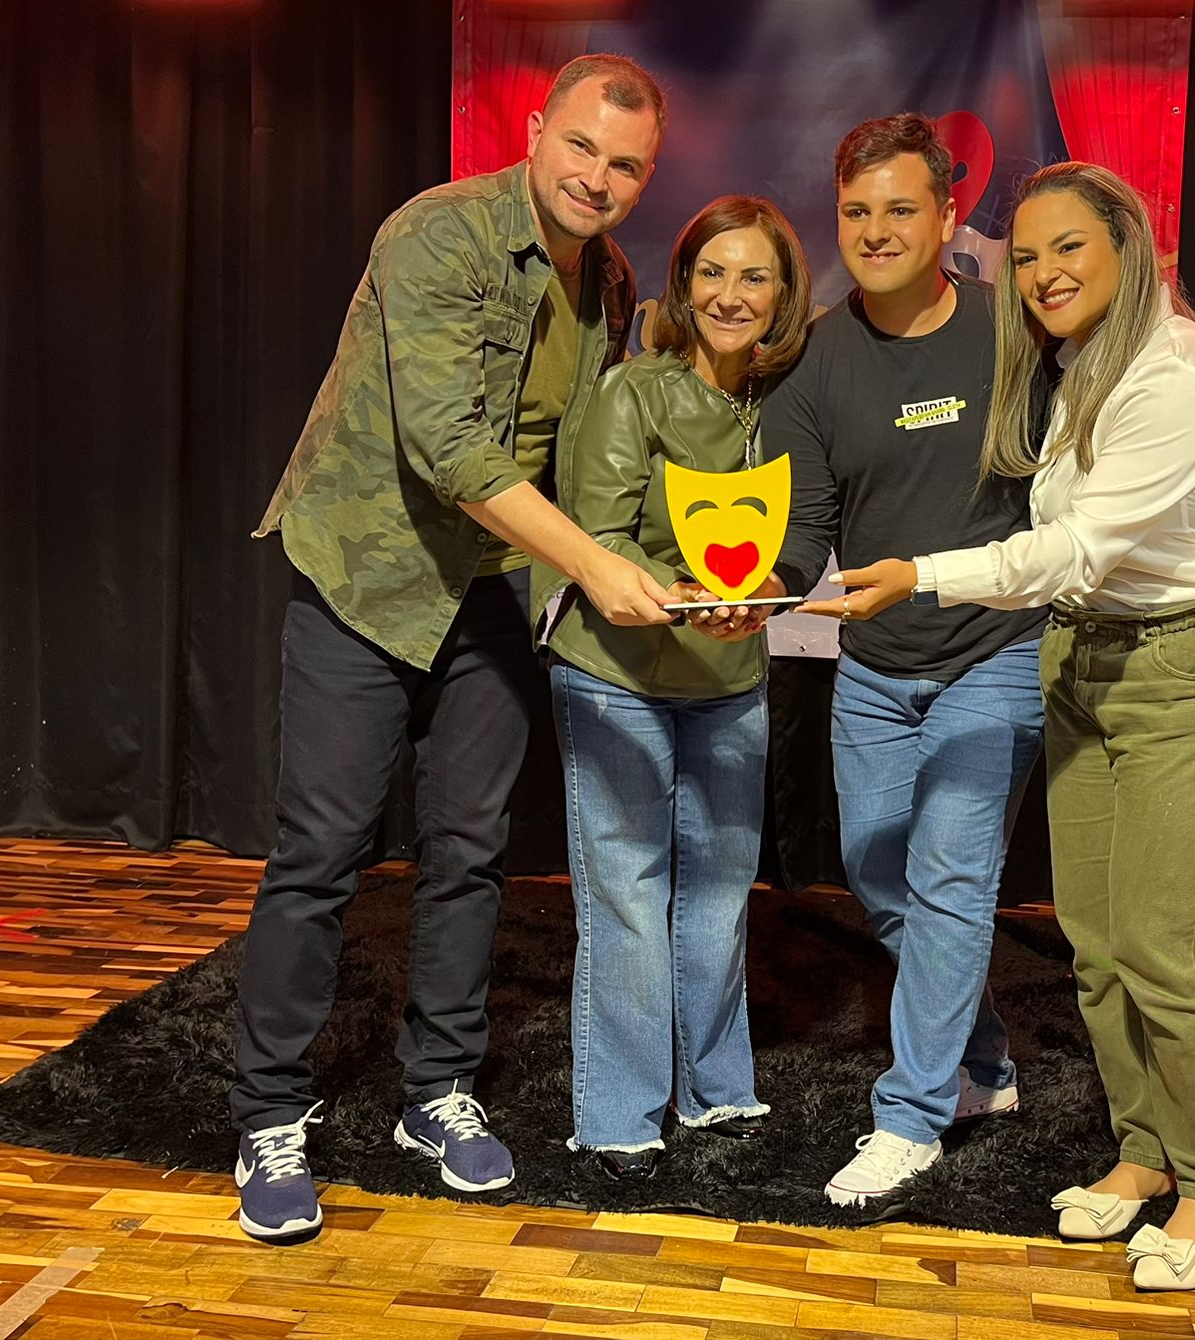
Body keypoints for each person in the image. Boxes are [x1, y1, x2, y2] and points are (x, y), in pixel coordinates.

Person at [812, 161, 1195, 1291]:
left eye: (1068, 247)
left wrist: (921, 574)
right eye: (1024, 256)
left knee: (1170, 948)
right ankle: (1144, 1152)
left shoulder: (1176, 373)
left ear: (1128, 245)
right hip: (1087, 657)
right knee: (1099, 941)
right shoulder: (1077, 367)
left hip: (1194, 669)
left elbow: (1073, 548)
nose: (1042, 274)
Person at [230, 55, 674, 1242]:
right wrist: (592, 566)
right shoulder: (437, 233)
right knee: (321, 853)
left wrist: (648, 555)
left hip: (488, 592)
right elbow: (450, 446)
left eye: (626, 164)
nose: (597, 178)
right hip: (368, 579)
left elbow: (579, 453)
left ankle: (435, 1089)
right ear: (533, 129)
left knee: (471, 853)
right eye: (580, 146)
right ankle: (267, 1111)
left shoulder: (609, 281)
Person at [720, 114, 1050, 1207]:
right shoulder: (813, 359)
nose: (875, 230)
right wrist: (751, 591)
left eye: (900, 208)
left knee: (949, 879)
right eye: (856, 211)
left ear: (948, 217)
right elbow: (804, 532)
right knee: (880, 879)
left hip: (995, 650)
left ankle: (911, 1115)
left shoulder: (1016, 333)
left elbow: (1100, 461)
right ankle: (984, 1059)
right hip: (873, 666)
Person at [537, 195, 812, 1180]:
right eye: (712, 272)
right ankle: (619, 1115)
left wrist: (763, 597)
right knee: (628, 894)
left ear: (783, 293)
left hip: (731, 679)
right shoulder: (633, 393)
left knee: (720, 896)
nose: (732, 295)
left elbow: (804, 531)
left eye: (754, 276)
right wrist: (689, 596)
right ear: (683, 285)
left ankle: (716, 1087)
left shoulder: (785, 403)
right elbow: (598, 537)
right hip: (618, 678)